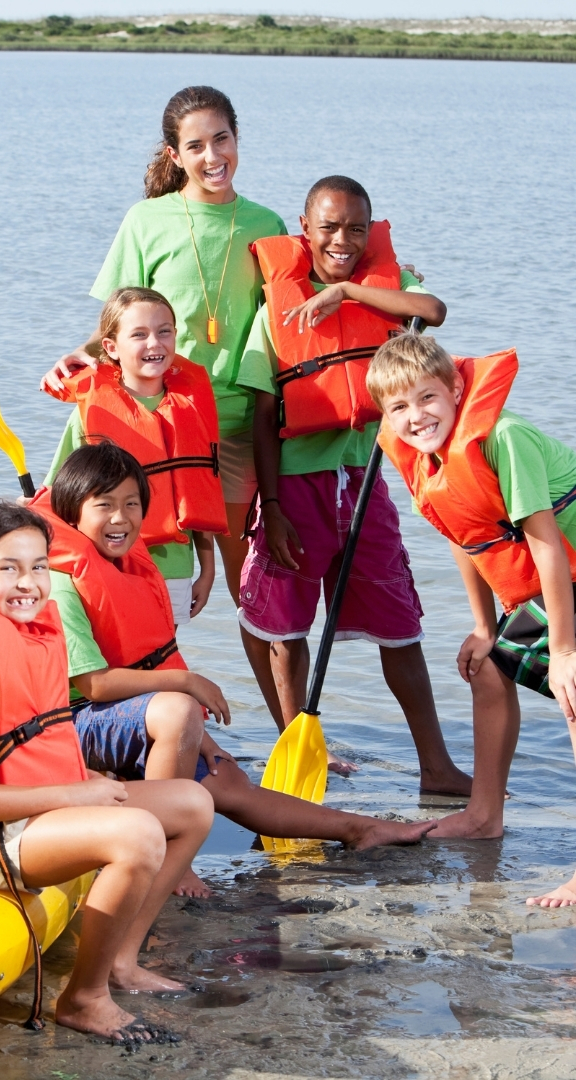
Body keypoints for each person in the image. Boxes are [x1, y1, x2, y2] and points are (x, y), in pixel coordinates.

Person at [0, 503, 213, 1042]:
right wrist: (78, 795)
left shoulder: (30, 639)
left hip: (31, 807)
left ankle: (120, 960)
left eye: (40, 566)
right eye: (7, 567)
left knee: (192, 803)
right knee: (138, 833)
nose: (28, 583)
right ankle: (84, 998)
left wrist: (78, 792)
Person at [32, 443, 438, 897]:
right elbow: (94, 684)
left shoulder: (129, 568)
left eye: (131, 504)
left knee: (228, 779)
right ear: (71, 513)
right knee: (180, 711)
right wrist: (186, 683)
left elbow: (146, 663)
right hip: (70, 726)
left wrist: (200, 743)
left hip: (123, 718)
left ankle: (360, 829)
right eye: (103, 506)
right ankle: (166, 855)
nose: (120, 518)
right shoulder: (61, 586)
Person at [236, 174, 471, 794]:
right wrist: (274, 506)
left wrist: (346, 291)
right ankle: (299, 757)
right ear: (304, 229)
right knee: (286, 629)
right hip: (296, 485)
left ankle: (436, 766)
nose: (342, 238)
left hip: (362, 481)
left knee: (400, 622)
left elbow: (435, 312)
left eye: (356, 229)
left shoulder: (382, 294)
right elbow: (263, 418)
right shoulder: (276, 310)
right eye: (329, 227)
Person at [41, 85, 286, 612]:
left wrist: (395, 279)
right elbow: (116, 322)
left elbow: (295, 310)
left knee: (252, 594)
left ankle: (280, 702)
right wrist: (82, 353)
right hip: (161, 421)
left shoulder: (269, 226)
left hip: (240, 427)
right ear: (175, 155)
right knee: (140, 565)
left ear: (238, 139)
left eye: (222, 140)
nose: (213, 157)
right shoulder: (146, 220)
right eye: (195, 146)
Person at [367, 333, 576, 905]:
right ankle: (484, 816)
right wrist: (485, 628)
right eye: (399, 407)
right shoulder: (425, 458)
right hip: (557, 583)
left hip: (565, 567)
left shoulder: (502, 439)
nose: (416, 416)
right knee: (489, 669)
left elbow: (548, 547)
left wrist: (562, 653)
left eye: (428, 398)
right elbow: (467, 538)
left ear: (457, 388)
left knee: (574, 695)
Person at [43, 286, 224, 624]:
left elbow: (200, 489)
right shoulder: (90, 412)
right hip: (106, 565)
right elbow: (55, 494)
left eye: (164, 331)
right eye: (139, 335)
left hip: (174, 568)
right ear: (111, 347)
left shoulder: (193, 406)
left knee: (160, 660)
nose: (154, 344)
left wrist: (208, 569)